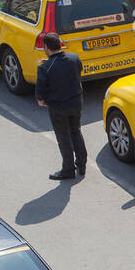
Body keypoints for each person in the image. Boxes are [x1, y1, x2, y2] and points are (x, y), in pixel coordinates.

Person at [34, 32, 86, 180]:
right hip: (76, 102)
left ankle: (68, 169)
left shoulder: (45, 68)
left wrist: (41, 100)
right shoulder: (73, 58)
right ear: (60, 44)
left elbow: (40, 91)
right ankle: (82, 164)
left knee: (63, 137)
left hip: (58, 107)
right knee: (76, 131)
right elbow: (74, 70)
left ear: (46, 47)